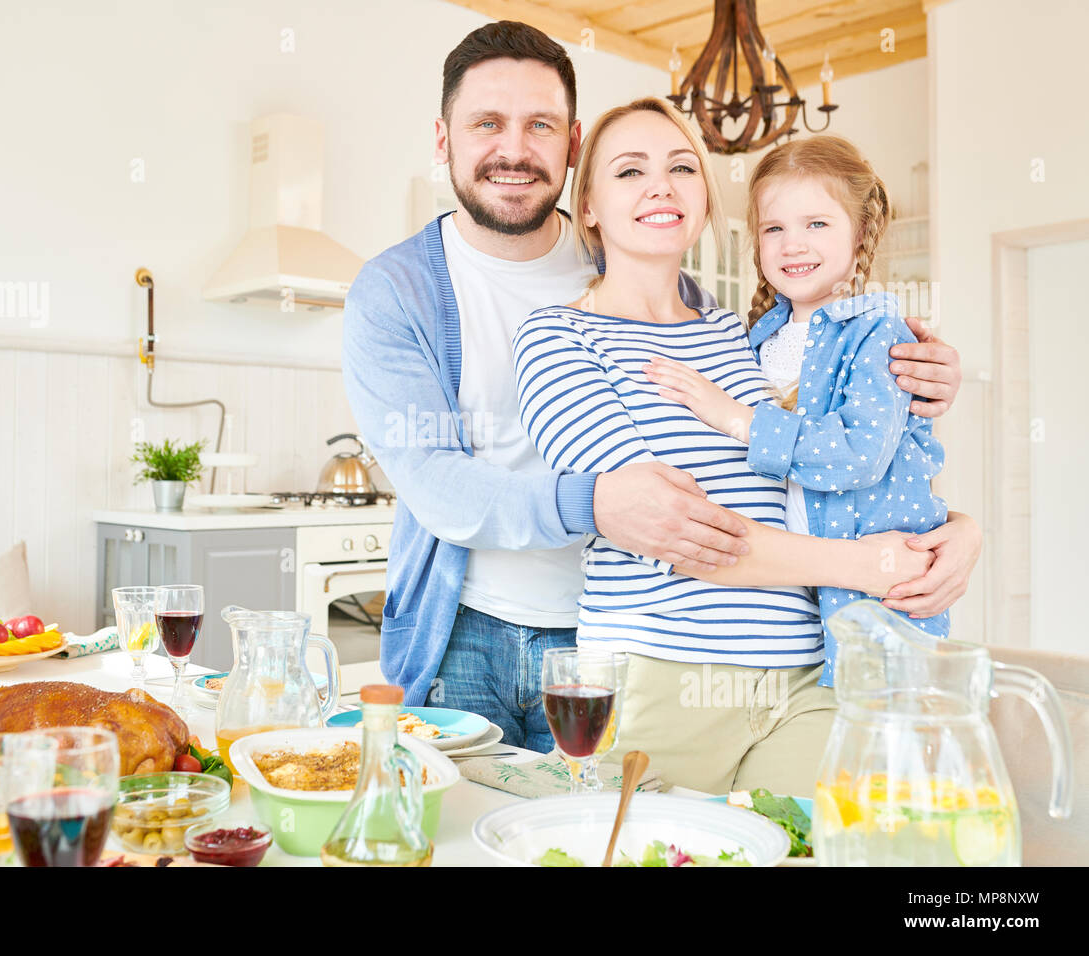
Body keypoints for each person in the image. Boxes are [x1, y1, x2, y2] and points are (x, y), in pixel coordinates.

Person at [341, 20, 973, 752]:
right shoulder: (400, 291)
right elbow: (440, 486)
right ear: (445, 138)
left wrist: (952, 524)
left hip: (616, 639)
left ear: (571, 147)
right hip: (476, 628)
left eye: (538, 124)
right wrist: (603, 503)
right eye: (487, 123)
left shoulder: (711, 316)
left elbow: (806, 464)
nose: (513, 149)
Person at [514, 98, 945, 793]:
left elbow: (845, 470)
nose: (661, 185)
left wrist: (959, 532)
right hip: (663, 680)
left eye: (682, 166)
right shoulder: (558, 338)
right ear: (587, 206)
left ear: (706, 198)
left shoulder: (751, 336)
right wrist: (874, 566)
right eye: (630, 172)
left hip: (807, 674)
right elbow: (679, 533)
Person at [643, 136, 950, 688]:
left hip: (882, 592)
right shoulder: (758, 337)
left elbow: (857, 457)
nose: (793, 245)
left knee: (882, 751)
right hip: (795, 602)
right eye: (774, 228)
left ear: (860, 236)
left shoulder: (877, 332)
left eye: (817, 224)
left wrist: (738, 418)